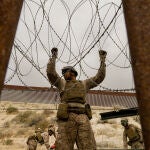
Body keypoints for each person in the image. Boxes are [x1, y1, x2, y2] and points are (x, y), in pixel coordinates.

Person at [46, 47, 107, 150]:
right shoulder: (62, 83)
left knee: (88, 146)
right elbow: (51, 73)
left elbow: (99, 77)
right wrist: (53, 57)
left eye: (65, 71)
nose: (63, 74)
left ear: (72, 73)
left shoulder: (84, 84)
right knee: (63, 147)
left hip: (83, 118)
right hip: (67, 118)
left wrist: (102, 60)